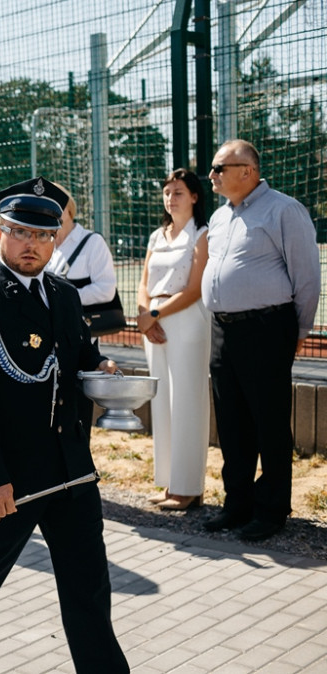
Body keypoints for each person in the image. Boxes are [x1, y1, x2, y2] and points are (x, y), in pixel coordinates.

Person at [0, 177, 128, 674]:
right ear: (0, 233)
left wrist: (101, 368)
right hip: (10, 478)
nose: (32, 245)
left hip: (71, 471)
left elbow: (79, 356)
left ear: (56, 239)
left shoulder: (63, 294)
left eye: (43, 235)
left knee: (89, 590)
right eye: (21, 233)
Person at [201, 139, 321, 542]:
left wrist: (296, 332)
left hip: (267, 329)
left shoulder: (284, 210)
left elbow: (306, 279)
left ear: (247, 171)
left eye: (219, 168)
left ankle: (271, 510)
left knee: (268, 421)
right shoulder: (219, 218)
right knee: (231, 422)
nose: (212, 175)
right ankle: (237, 504)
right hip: (223, 330)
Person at [136, 169, 211, 510]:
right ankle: (168, 483)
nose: (171, 198)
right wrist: (144, 316)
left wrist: (154, 315)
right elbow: (144, 279)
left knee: (186, 400)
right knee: (162, 400)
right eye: (167, 192)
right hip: (155, 322)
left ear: (194, 196)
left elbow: (195, 288)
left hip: (184, 320)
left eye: (178, 192)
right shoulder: (156, 236)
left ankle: (189, 487)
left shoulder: (202, 233)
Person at [44, 182, 118, 432]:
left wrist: (66, 298)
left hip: (81, 338)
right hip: (49, 338)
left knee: (76, 409)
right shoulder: (46, 246)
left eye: (58, 206)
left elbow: (106, 289)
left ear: (70, 209)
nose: (53, 212)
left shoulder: (92, 243)